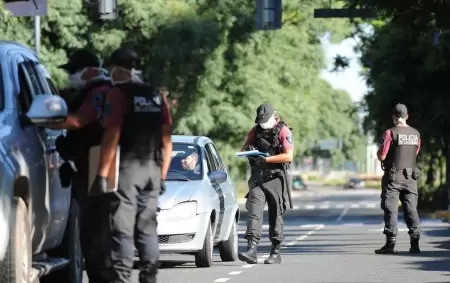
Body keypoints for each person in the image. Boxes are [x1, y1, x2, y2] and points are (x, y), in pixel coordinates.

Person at [90, 46, 173, 283]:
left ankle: (123, 279)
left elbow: (112, 135)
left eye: (111, 70)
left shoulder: (118, 95)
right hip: (153, 169)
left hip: (128, 169)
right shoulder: (157, 95)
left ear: (116, 69)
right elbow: (167, 139)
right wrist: (163, 175)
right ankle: (149, 278)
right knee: (147, 229)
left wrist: (102, 175)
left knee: (122, 229)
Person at [53, 48, 114, 283]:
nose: (71, 76)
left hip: (98, 170)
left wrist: (42, 121)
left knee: (97, 235)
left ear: (89, 71)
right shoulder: (90, 91)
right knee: (92, 234)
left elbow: (80, 120)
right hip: (90, 169)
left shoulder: (100, 92)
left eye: (74, 71)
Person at [238, 103, 294, 265]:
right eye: (260, 120)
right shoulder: (255, 131)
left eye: (265, 120)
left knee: (275, 215)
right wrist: (249, 149)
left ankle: (275, 252)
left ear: (273, 116)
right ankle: (251, 249)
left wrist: (268, 159)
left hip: (276, 179)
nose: (263, 123)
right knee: (254, 212)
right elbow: (244, 149)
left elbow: (288, 156)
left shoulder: (283, 131)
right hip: (258, 178)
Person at [375, 103, 421, 255]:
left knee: (391, 209)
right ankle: (415, 244)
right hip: (411, 177)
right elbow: (415, 153)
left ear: (393, 117)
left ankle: (390, 244)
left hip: (393, 177)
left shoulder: (390, 133)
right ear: (407, 117)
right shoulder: (416, 133)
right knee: (411, 209)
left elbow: (382, 155)